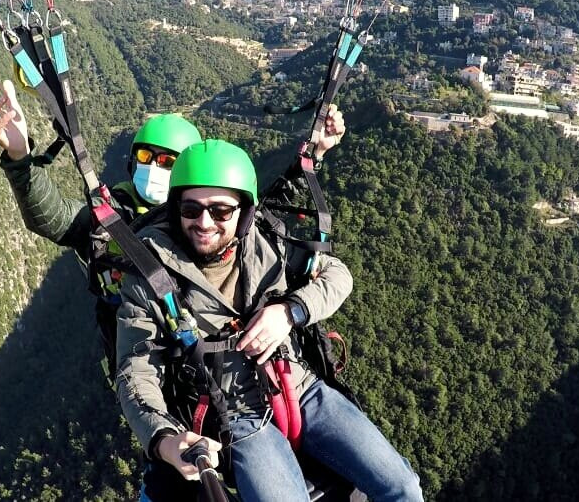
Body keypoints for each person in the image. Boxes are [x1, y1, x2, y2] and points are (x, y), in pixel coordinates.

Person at [0, 78, 349, 500]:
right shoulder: (112, 221)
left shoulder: (202, 221)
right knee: (168, 477)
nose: (153, 167)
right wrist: (20, 157)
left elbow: (255, 212)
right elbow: (55, 218)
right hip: (151, 367)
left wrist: (313, 154)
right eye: (145, 156)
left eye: (166, 160)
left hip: (213, 376)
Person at [114, 139, 424, 502]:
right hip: (233, 411)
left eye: (220, 211)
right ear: (175, 208)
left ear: (244, 212)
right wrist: (163, 439)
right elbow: (136, 370)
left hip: (299, 385)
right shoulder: (151, 274)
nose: (203, 222)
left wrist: (290, 311)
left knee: (403, 487)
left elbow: (337, 275)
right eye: (191, 208)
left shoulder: (268, 245)